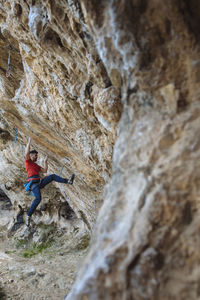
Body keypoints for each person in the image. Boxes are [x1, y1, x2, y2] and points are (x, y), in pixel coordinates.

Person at [24, 137, 75, 226]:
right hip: (33, 184)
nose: (36, 157)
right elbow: (26, 153)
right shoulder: (28, 162)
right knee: (38, 198)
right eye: (35, 155)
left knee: (52, 176)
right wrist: (28, 142)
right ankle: (28, 215)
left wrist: (45, 162)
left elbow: (44, 171)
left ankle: (68, 181)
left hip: (39, 182)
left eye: (37, 155)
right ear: (31, 156)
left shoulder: (36, 165)